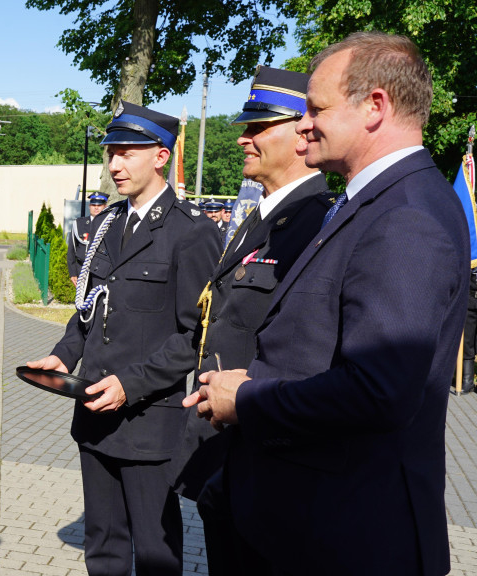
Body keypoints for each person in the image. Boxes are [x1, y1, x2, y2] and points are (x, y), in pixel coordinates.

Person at [185, 32, 468, 575]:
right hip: (305, 518)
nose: (304, 122)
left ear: (375, 107)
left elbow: (378, 390)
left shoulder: (405, 217)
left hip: (346, 533)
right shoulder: (374, 203)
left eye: (316, 108)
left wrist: (247, 400)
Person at [27, 101, 221, 576]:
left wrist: (129, 385)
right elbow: (86, 312)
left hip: (148, 423)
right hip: (93, 411)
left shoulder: (191, 233)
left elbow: (193, 335)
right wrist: (61, 356)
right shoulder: (106, 225)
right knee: (104, 545)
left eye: (127, 152)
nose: (114, 164)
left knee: (155, 551)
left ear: (161, 156)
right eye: (112, 152)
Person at [169, 66, 333, 575]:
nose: (243, 138)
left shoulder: (315, 223)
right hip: (229, 452)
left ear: (302, 131)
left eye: (259, 127)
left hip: (267, 456)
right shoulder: (260, 219)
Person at [67, 192, 108, 285]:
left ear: (105, 206)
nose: (96, 207)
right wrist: (73, 273)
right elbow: (71, 250)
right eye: (93, 205)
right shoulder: (79, 224)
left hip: (102, 271)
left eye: (99, 205)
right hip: (82, 269)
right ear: (89, 206)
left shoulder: (111, 224)